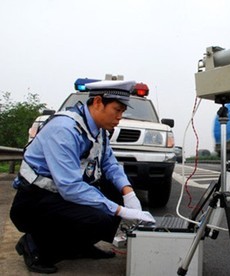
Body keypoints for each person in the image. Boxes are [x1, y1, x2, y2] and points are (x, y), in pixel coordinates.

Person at [9, 80, 155, 274]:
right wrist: (120, 210)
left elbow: (110, 165)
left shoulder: (98, 130)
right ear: (97, 102)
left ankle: (80, 246)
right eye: (117, 110)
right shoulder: (64, 130)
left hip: (60, 196)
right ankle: (35, 245)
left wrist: (129, 194)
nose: (120, 117)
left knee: (119, 188)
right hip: (35, 201)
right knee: (98, 219)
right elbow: (69, 187)